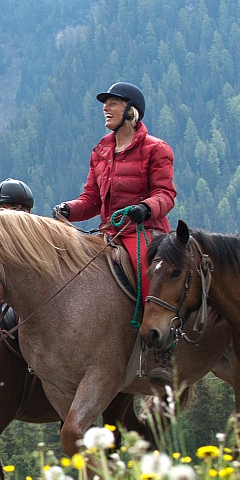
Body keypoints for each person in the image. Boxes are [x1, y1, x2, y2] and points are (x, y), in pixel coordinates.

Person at [50, 82, 178, 381]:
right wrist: (69, 209)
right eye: (105, 104)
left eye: (113, 103)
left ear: (131, 111)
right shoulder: (101, 150)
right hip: (109, 232)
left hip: (145, 232)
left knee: (150, 274)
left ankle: (162, 351)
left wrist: (145, 208)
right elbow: (91, 200)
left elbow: (166, 194)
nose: (106, 108)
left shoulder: (156, 149)